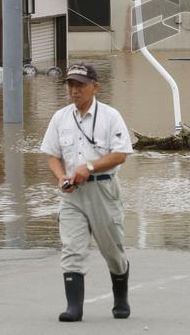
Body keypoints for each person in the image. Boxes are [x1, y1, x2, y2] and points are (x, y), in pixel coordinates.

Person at [40, 63, 134, 322]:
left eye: (80, 84)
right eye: (70, 85)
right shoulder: (60, 118)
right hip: (72, 195)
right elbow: (52, 154)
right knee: (72, 247)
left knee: (112, 249)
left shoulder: (110, 116)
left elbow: (120, 154)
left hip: (103, 190)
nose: (74, 90)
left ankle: (121, 297)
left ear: (95, 86)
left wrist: (89, 167)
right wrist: (61, 178)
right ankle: (74, 307)